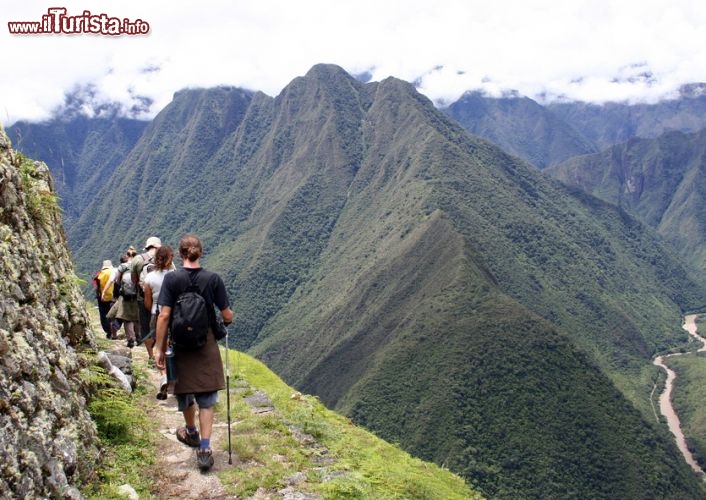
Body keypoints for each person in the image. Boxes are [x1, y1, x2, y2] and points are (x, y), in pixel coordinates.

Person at [155, 234, 234, 472]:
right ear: (201, 253)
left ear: (180, 254)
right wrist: (225, 322)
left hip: (179, 344)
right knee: (207, 398)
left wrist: (159, 348)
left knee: (185, 392)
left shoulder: (171, 279)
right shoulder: (213, 280)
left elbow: (164, 315)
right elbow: (227, 315)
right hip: (205, 343)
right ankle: (206, 448)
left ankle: (191, 432)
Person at [143, 245, 174, 398]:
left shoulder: (149, 278)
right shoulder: (176, 275)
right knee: (173, 344)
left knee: (160, 346)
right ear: (170, 259)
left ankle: (164, 375)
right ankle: (175, 376)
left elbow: (147, 303)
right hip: (175, 314)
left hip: (157, 313)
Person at [132, 236, 162, 356]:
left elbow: (134, 278)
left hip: (143, 298)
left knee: (145, 327)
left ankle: (151, 356)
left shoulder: (138, 259)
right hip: (161, 299)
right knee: (162, 325)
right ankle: (162, 354)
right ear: (157, 247)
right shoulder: (164, 258)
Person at [108, 247, 139, 346]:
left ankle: (130, 338)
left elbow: (117, 281)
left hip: (125, 296)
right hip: (137, 296)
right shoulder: (138, 265)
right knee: (137, 318)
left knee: (127, 318)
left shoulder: (122, 266)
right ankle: (138, 337)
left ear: (127, 255)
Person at [94, 259, 116, 338]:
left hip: (102, 298)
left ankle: (108, 331)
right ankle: (114, 332)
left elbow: (96, 287)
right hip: (112, 297)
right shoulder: (113, 272)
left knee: (104, 315)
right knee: (112, 314)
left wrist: (98, 295)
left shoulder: (99, 274)